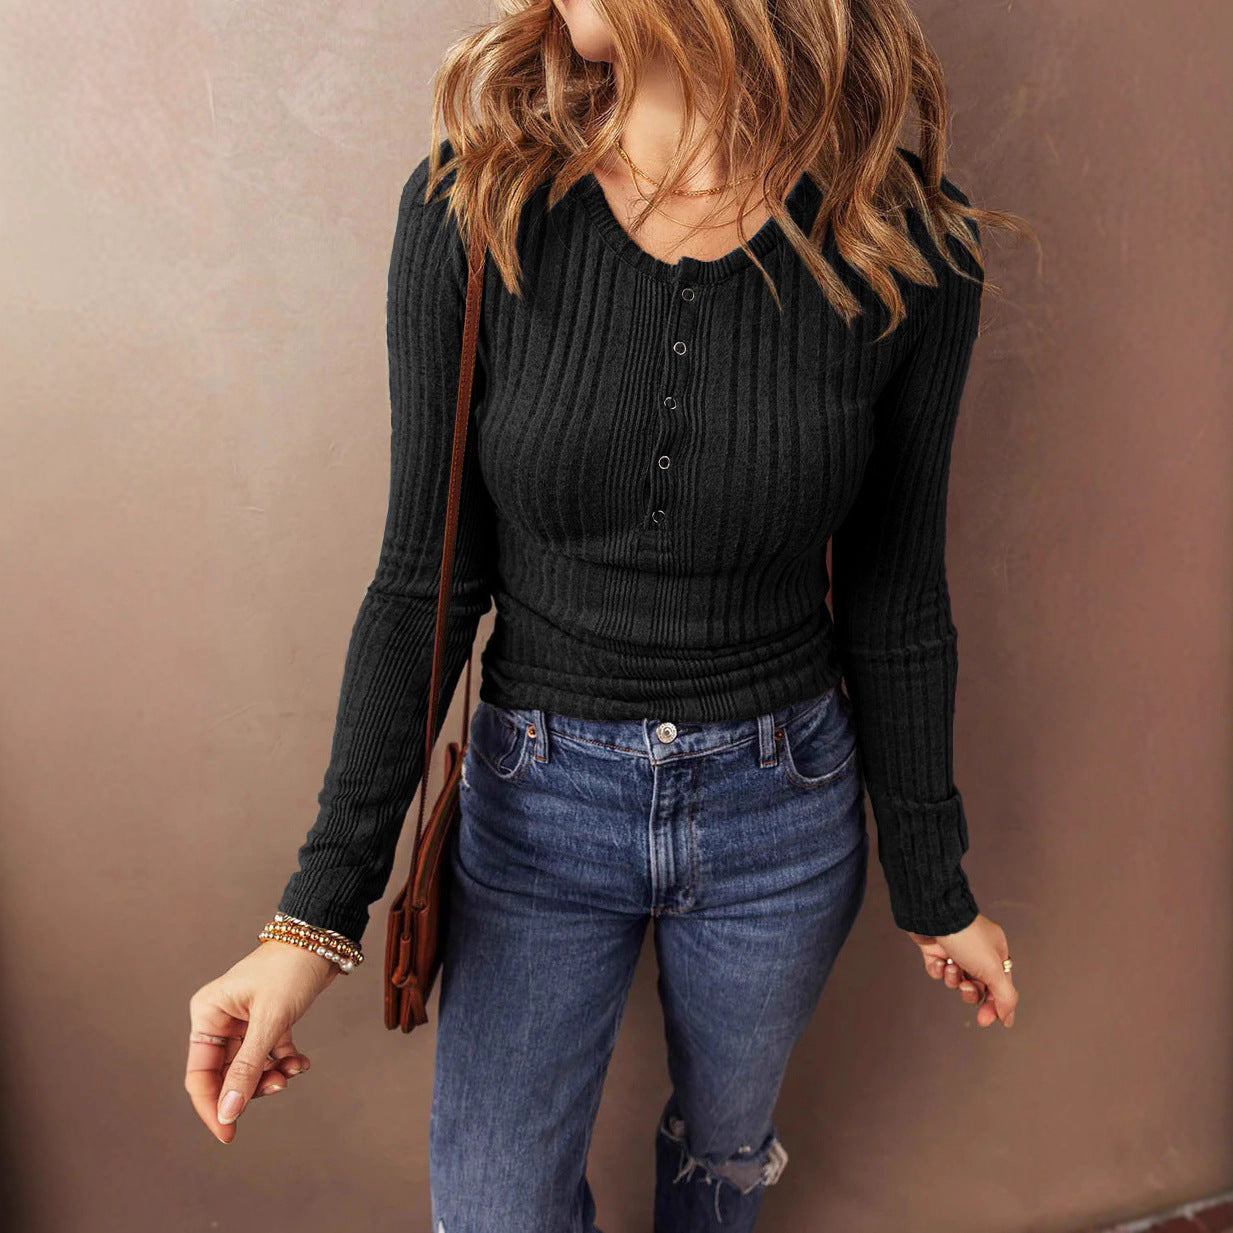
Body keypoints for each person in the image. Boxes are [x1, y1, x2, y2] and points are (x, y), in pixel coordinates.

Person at [187, 0, 1030, 1227]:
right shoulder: (476, 205)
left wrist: (935, 880)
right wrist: (311, 919)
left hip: (780, 814)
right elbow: (424, 583)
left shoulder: (903, 238)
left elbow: (896, 596)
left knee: (722, 1153)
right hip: (536, 809)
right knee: (493, 1209)